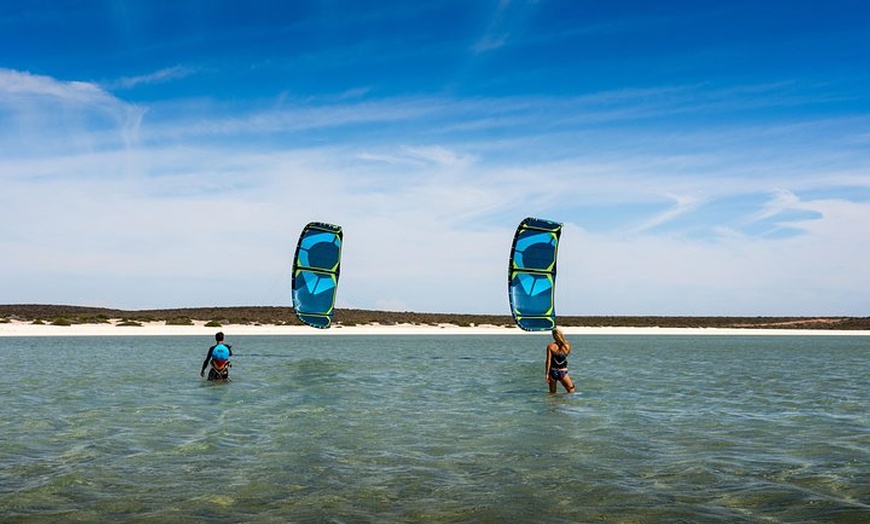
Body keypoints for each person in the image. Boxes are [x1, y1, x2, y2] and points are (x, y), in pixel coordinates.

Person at [545, 327, 575, 394]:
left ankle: (553, 404)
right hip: (563, 371)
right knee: (571, 390)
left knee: (552, 393)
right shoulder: (567, 345)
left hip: (553, 371)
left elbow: (548, 361)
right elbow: (565, 356)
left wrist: (546, 374)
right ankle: (568, 403)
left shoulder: (550, 346)